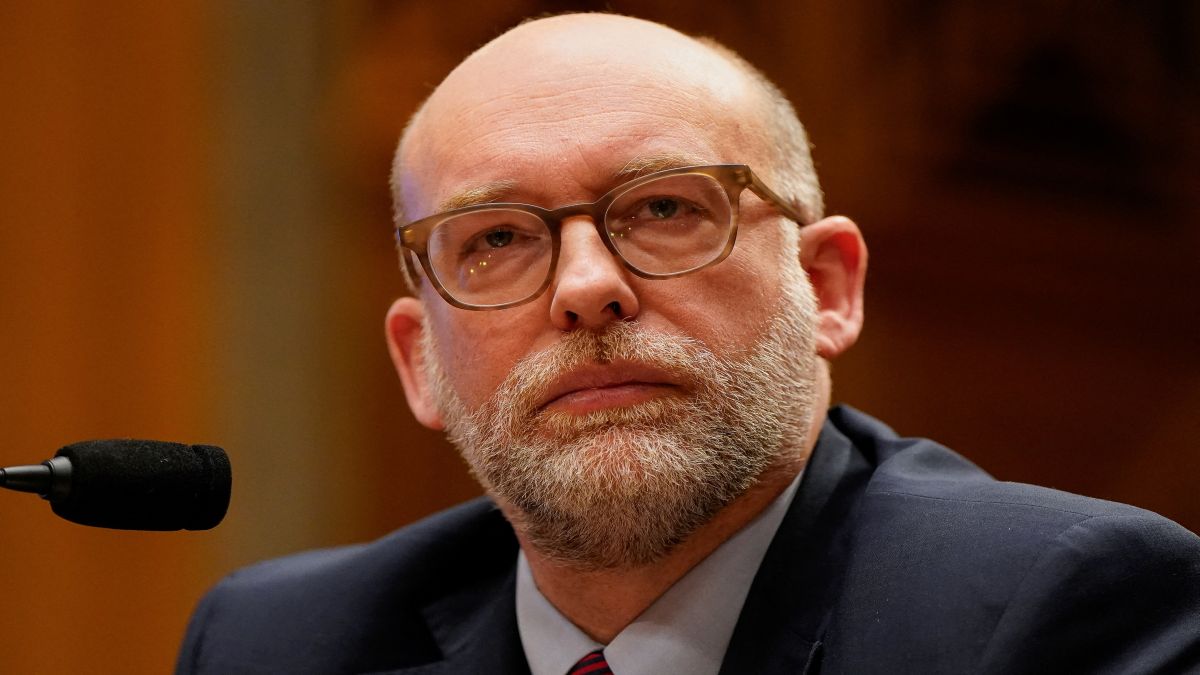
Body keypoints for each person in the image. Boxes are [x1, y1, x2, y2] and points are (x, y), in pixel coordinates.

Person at [176, 13, 1200, 675]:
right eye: (494, 239)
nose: (586, 289)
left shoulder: (1055, 617)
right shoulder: (279, 647)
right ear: (419, 362)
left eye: (665, 207)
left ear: (826, 286)